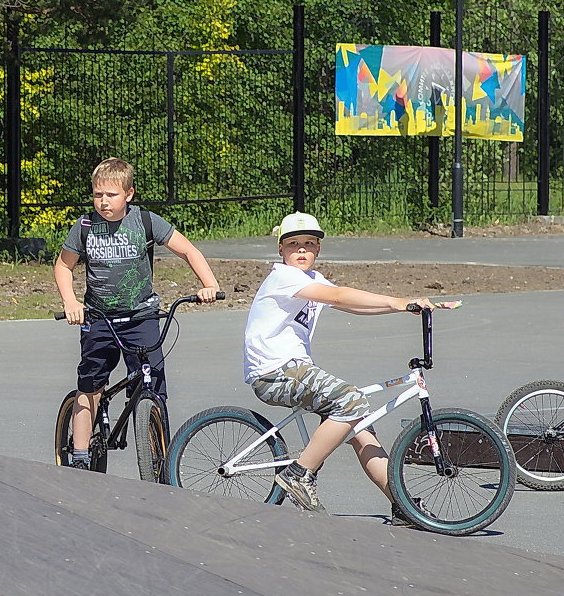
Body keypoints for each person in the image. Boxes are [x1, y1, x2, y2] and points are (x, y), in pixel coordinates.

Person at [242, 212, 432, 518]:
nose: (301, 250)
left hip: (296, 370)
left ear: (318, 249)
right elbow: (341, 296)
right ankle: (298, 474)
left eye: (308, 244)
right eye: (293, 244)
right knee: (351, 401)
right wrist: (397, 299)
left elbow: (350, 305)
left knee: (360, 424)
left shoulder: (312, 279)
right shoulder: (282, 276)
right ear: (281, 250)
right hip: (274, 371)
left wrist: (400, 307)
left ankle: (403, 506)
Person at [54, 157, 219, 469]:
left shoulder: (145, 221)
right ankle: (78, 455)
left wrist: (208, 284)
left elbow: (187, 249)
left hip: (141, 317)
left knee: (152, 384)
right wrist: (70, 302)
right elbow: (63, 265)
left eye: (111, 195)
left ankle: (160, 456)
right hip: (99, 319)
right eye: (98, 194)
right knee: (90, 386)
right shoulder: (86, 226)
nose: (103, 201)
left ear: (128, 194)